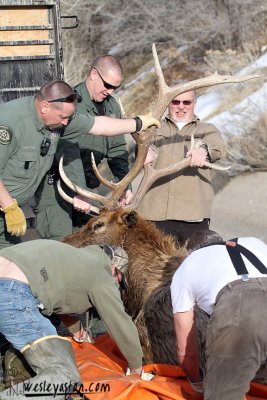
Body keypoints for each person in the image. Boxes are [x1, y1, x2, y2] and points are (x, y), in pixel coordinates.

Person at [0, 79, 159, 249]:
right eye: (63, 118)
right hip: (9, 208)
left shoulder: (58, 117)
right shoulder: (9, 123)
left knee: (8, 264)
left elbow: (99, 125)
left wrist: (137, 123)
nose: (66, 123)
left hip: (8, 216)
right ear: (45, 106)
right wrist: (9, 206)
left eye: (69, 118)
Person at [0, 240, 143, 399]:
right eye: (118, 281)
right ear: (114, 268)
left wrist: (76, 329)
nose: (116, 285)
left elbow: (57, 293)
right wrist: (137, 367)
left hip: (9, 275)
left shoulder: (80, 258)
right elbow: (120, 322)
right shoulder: (102, 272)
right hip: (13, 293)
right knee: (64, 377)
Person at [34, 55, 132, 240]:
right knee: (60, 245)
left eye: (115, 88)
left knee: (91, 245)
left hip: (88, 189)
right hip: (57, 186)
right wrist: (78, 191)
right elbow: (65, 147)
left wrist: (124, 186)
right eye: (108, 85)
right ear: (94, 74)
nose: (110, 92)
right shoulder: (69, 103)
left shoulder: (112, 107)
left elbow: (117, 149)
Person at [171, 236, 267, 400]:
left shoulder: (187, 266)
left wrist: (197, 382)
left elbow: (185, 352)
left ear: (190, 252)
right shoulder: (253, 242)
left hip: (243, 310)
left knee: (224, 394)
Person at [138, 85, 225, 245]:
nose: (181, 106)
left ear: (194, 103)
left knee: (195, 267)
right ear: (168, 103)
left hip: (193, 218)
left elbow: (218, 147)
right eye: (176, 102)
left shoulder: (207, 129)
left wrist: (203, 149)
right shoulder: (153, 130)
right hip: (153, 216)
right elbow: (139, 153)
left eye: (187, 102)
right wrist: (143, 153)